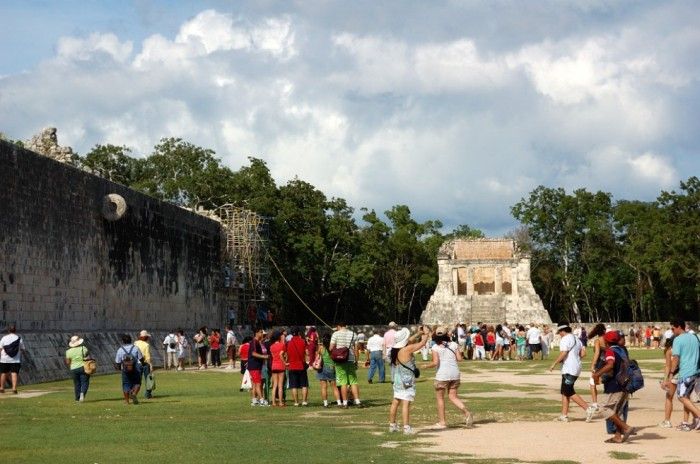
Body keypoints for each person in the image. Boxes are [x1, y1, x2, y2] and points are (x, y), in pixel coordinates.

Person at [590, 331, 635, 443]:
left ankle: (626, 427)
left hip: (615, 386)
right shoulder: (622, 350)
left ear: (606, 341)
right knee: (617, 412)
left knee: (603, 408)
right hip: (625, 384)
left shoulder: (610, 351)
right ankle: (618, 436)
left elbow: (610, 364)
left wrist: (597, 374)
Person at [389, 326, 430, 434]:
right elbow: (422, 344)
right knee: (406, 403)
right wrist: (426, 334)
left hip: (397, 379)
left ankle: (392, 425)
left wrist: (418, 333)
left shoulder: (395, 350)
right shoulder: (407, 349)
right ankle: (406, 427)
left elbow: (410, 340)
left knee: (396, 401)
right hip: (406, 380)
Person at [549, 323, 595, 422]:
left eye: (559, 332)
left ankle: (588, 408)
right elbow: (583, 353)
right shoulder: (577, 339)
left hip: (569, 369)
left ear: (563, 331)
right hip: (576, 367)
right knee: (564, 391)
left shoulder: (565, 339)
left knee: (568, 391)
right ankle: (564, 415)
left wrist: (554, 363)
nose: (559, 334)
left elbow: (564, 352)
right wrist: (574, 359)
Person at [429, 327, 473, 428]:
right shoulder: (453, 344)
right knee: (453, 396)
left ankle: (442, 422)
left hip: (442, 375)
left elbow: (435, 362)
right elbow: (460, 359)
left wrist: (426, 366)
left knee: (440, 398)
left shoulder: (435, 347)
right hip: (455, 373)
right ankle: (466, 412)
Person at [664, 320, 700, 431]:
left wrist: (671, 374)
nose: (672, 331)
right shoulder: (694, 337)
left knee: (682, 397)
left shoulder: (678, 340)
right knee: (687, 397)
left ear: (679, 327)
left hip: (685, 372)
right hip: (696, 371)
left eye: (673, 328)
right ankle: (692, 421)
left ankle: (698, 416)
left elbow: (676, 358)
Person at [330, 322, 362, 408]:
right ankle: (357, 401)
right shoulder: (353, 334)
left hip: (340, 361)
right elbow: (356, 349)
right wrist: (356, 361)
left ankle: (344, 403)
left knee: (343, 382)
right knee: (353, 381)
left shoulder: (335, 334)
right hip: (351, 359)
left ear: (338, 326)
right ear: (346, 326)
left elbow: (331, 348)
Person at [114, 333, 144, 405]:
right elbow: (141, 358)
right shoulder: (136, 348)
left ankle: (127, 401)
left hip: (125, 370)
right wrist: (143, 364)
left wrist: (119, 368)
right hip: (135, 369)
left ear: (123, 341)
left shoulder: (120, 350)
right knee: (137, 383)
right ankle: (134, 393)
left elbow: (117, 362)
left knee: (126, 384)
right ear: (131, 340)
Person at [658, 335, 681, 428]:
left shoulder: (670, 351)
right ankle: (686, 421)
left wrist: (665, 380)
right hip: (685, 374)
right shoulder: (682, 349)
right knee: (686, 398)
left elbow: (668, 366)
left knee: (669, 397)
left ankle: (667, 421)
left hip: (674, 375)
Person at [316, 333, 340, 407]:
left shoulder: (320, 348)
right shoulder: (333, 348)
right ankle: (339, 402)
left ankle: (325, 403)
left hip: (322, 368)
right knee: (334, 387)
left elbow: (318, 356)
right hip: (331, 368)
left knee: (323, 387)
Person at [287, 326, 309, 406]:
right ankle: (304, 401)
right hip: (301, 365)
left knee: (294, 385)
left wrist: (286, 362)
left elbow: (283, 353)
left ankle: (296, 402)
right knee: (304, 384)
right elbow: (307, 353)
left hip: (292, 366)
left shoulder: (288, 343)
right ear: (299, 333)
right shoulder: (303, 341)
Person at [247, 327, 270, 406]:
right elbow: (253, 353)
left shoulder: (257, 342)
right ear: (256, 333)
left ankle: (254, 400)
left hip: (255, 366)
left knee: (254, 383)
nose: (262, 334)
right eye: (260, 332)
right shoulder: (254, 342)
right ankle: (262, 400)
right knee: (258, 383)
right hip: (254, 366)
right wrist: (264, 357)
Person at [587, 323, 607, 412]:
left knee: (592, 382)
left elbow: (597, 353)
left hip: (600, 364)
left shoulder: (598, 341)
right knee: (607, 381)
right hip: (608, 362)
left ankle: (595, 404)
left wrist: (593, 365)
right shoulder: (608, 339)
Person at [0, 325, 25, 394]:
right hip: (15, 360)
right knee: (14, 373)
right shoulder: (19, 338)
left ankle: (2, 387)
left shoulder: (4, 338)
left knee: (3, 373)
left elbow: (0, 348)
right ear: (15, 331)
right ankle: (14, 388)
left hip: (4, 359)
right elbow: (23, 349)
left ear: (8, 331)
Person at [65, 335, 91, 402]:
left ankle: (77, 398)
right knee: (85, 382)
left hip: (73, 368)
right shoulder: (83, 348)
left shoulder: (68, 351)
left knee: (76, 384)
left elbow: (68, 362)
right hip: (83, 367)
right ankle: (82, 393)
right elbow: (88, 358)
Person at [134, 330, 154, 399]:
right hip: (145, 363)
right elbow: (147, 357)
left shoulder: (135, 343)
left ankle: (134, 392)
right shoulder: (146, 345)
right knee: (148, 379)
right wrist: (150, 365)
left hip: (136, 363)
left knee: (137, 379)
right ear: (145, 337)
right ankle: (148, 394)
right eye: (147, 337)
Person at [269, 330, 287, 407]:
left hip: (274, 365)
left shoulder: (271, 346)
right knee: (280, 385)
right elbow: (282, 355)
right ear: (279, 337)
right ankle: (280, 402)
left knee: (274, 385)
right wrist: (285, 363)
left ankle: (273, 402)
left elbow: (273, 356)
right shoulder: (282, 345)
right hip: (280, 365)